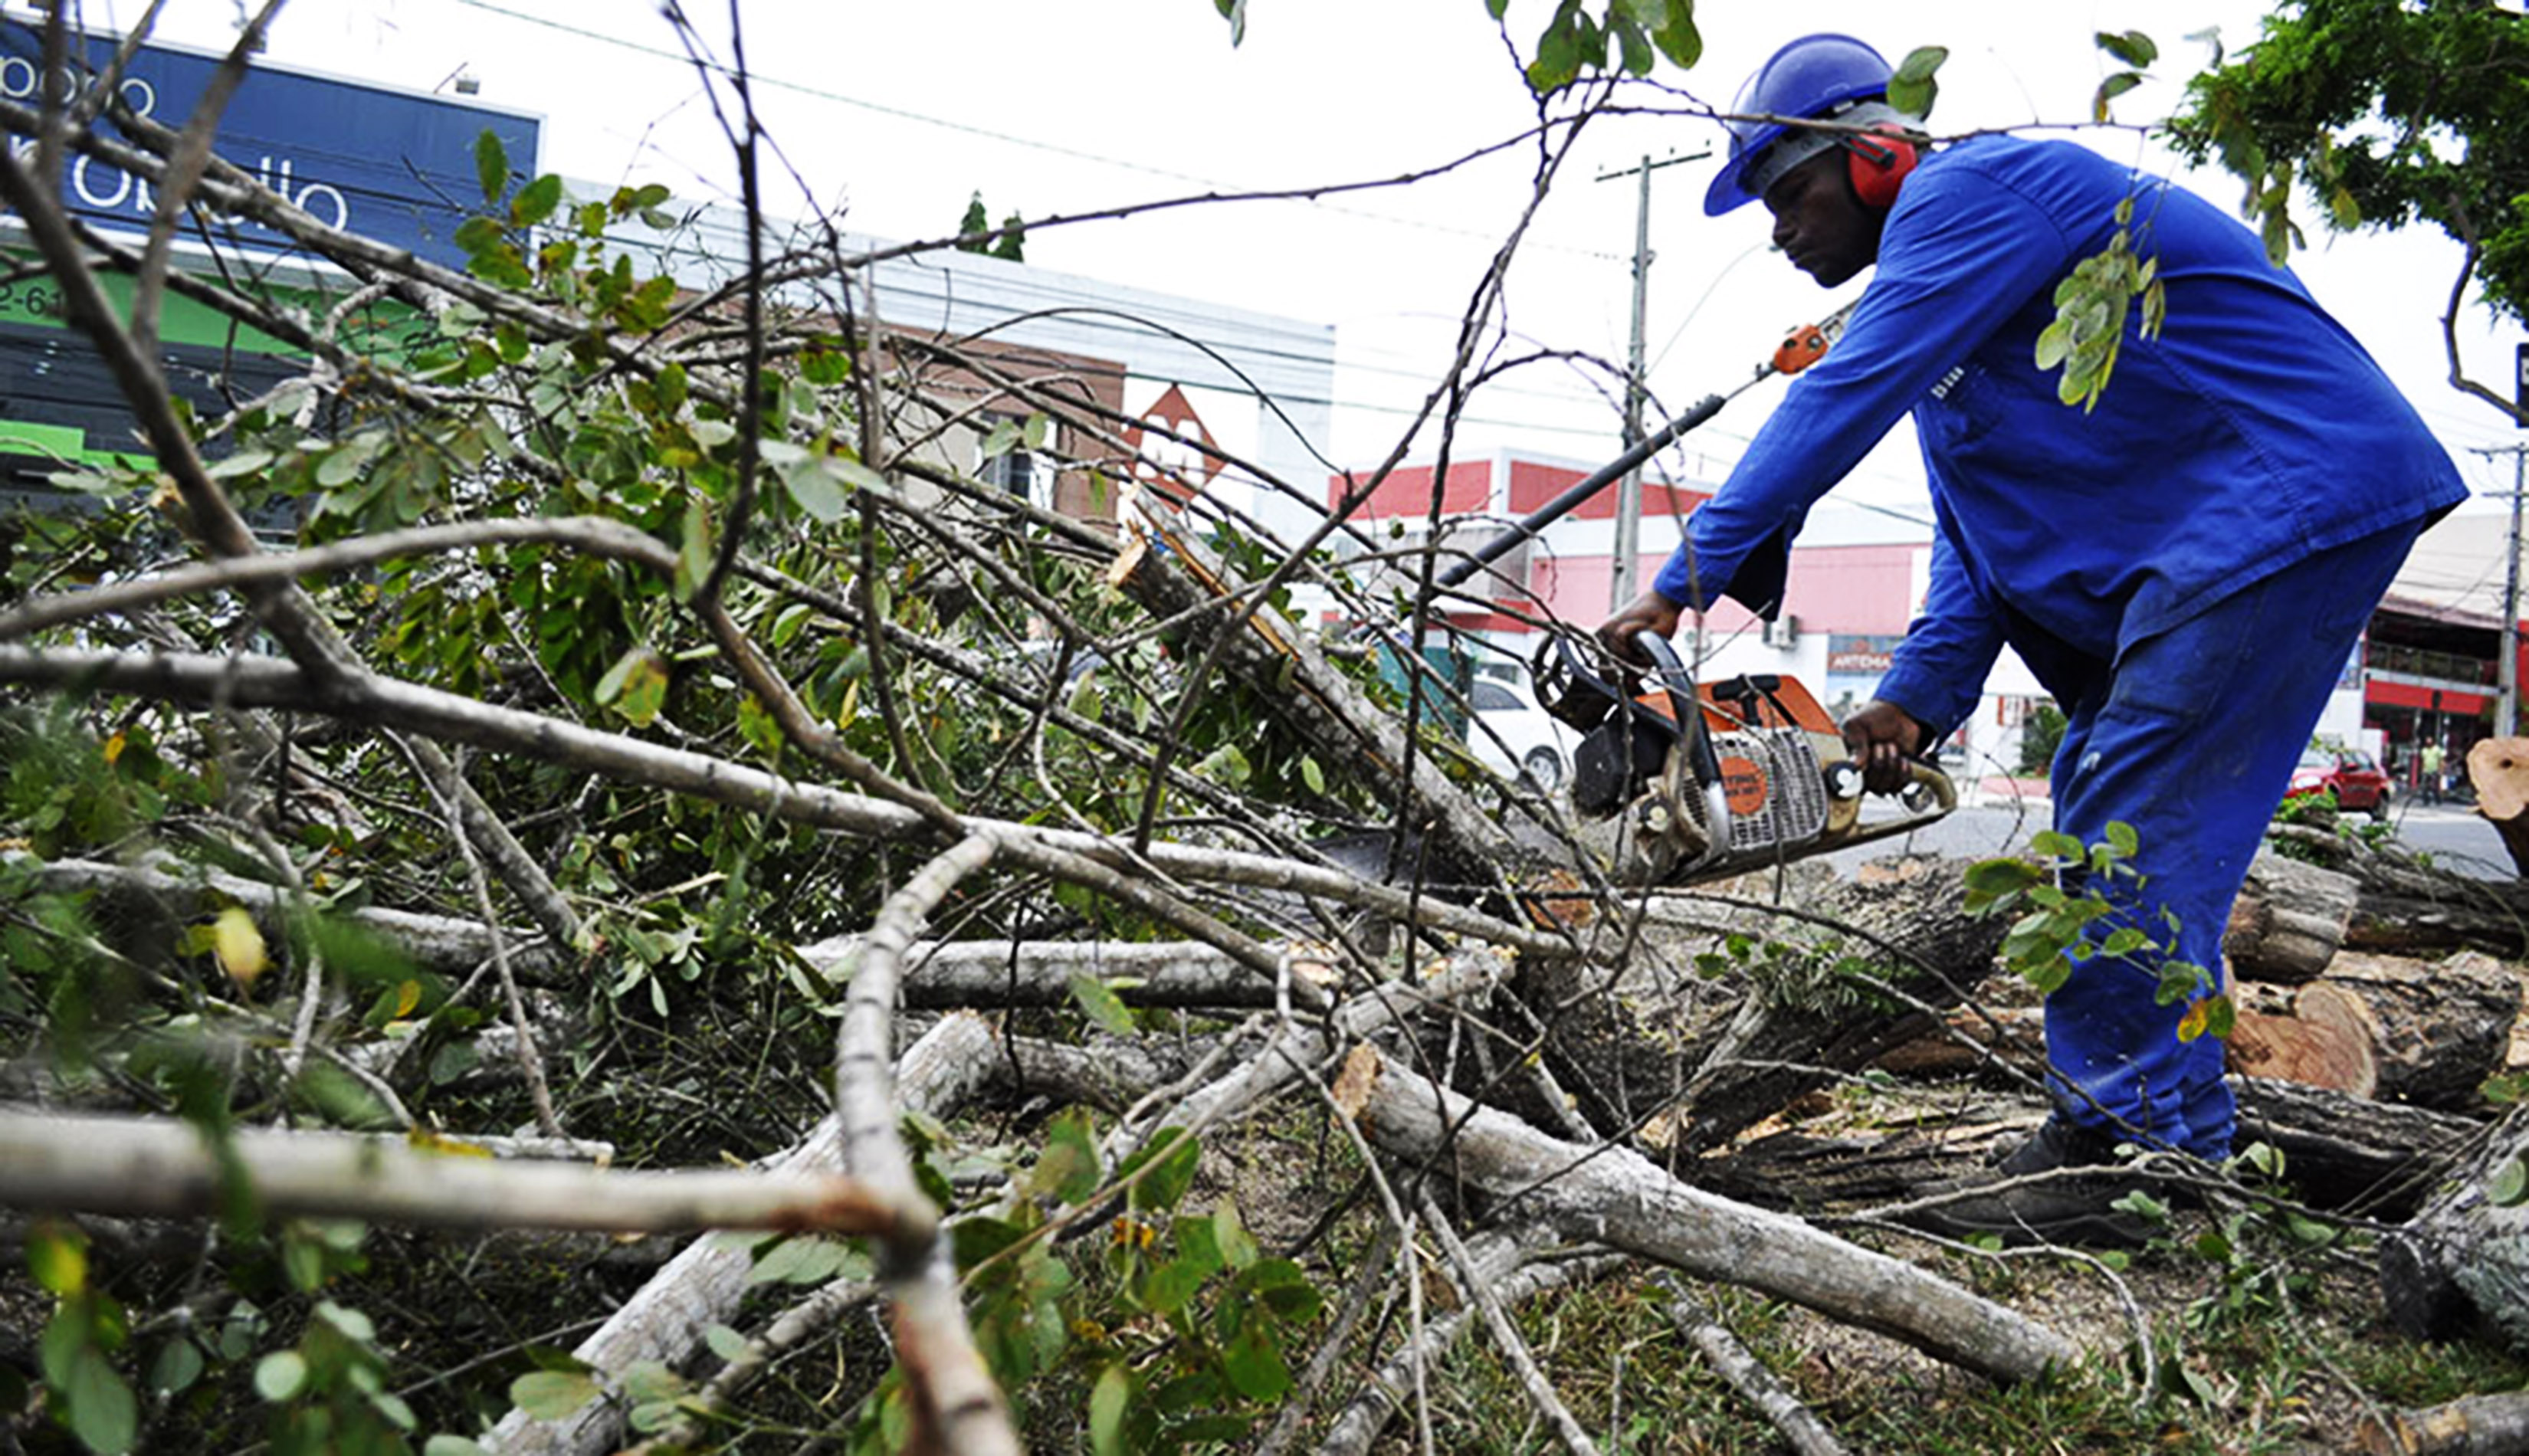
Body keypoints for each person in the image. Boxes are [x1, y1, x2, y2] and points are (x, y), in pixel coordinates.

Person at [1599, 34, 2465, 1243]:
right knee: (2099, 793)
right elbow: (1979, 524)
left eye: (1788, 193)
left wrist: (1684, 578)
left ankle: (2154, 1165)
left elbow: (1837, 395)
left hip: (2284, 502)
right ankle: (2112, 1127)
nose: (1778, 229)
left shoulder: (1968, 197)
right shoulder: (1965, 308)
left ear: (1875, 154)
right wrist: (1916, 697)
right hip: (2228, 531)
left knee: (2130, 808)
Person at [2421, 739, 2446, 805]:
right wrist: (2422, 769)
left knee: (2434, 787)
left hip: (2435, 770)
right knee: (2424, 787)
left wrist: (2441, 770)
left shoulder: (2437, 750)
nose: (2429, 744)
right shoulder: (2424, 750)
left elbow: (2441, 760)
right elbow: (2423, 760)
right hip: (2426, 771)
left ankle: (2438, 800)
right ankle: (2426, 800)